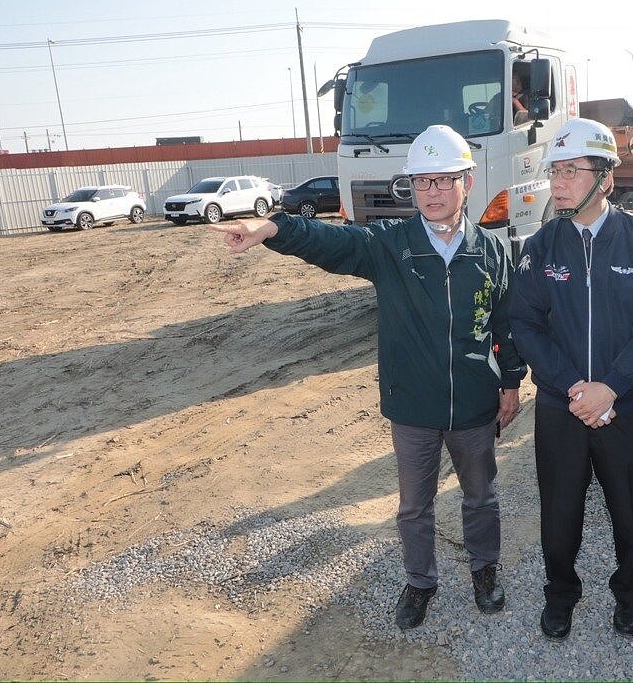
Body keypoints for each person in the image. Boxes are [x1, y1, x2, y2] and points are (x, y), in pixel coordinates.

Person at [209, 125, 526, 631]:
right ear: (412, 187)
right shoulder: (391, 245)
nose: (433, 193)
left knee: (481, 498)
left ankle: (485, 571)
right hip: (413, 407)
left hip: (473, 404)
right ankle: (421, 582)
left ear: (467, 180)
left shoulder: (491, 252)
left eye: (444, 181)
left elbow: (505, 326)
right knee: (414, 507)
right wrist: (274, 229)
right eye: (423, 182)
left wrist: (510, 383)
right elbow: (335, 242)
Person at [510, 118, 633, 640]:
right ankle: (560, 593)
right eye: (554, 172)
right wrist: (573, 388)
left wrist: (611, 386)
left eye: (570, 171)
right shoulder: (541, 248)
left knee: (632, 512)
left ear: (605, 177)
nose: (557, 183)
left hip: (627, 409)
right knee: (559, 514)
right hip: (561, 408)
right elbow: (525, 324)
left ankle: (632, 595)